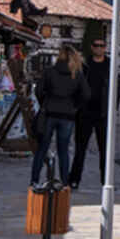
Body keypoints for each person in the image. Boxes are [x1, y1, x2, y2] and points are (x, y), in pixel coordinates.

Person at [31, 44, 88, 187]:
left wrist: (45, 102)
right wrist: (75, 106)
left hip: (50, 112)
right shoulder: (77, 74)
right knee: (63, 150)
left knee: (42, 148)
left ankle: (35, 180)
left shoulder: (50, 71)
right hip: (67, 114)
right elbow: (86, 94)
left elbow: (38, 90)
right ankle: (64, 182)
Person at [67, 39, 110, 190]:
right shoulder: (85, 65)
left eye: (102, 46)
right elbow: (76, 85)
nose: (99, 48)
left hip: (103, 113)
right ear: (92, 47)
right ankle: (74, 180)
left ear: (105, 48)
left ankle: (106, 181)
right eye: (96, 45)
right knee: (80, 149)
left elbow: (115, 87)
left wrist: (114, 109)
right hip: (85, 112)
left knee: (105, 150)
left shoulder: (110, 65)